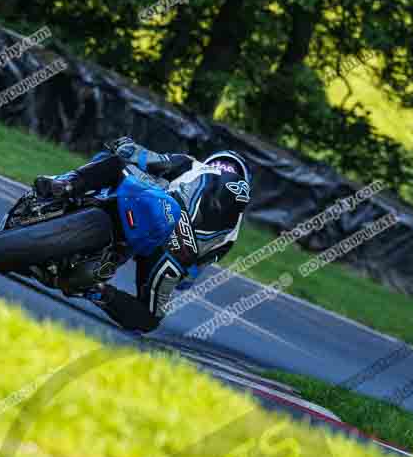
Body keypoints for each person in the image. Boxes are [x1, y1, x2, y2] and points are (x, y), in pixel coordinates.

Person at [34, 137, 252, 332]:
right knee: (149, 319)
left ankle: (65, 184)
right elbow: (189, 277)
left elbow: (149, 158)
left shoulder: (192, 164)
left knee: (116, 162)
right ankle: (96, 290)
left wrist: (124, 145)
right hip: (174, 251)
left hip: (156, 207)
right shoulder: (230, 236)